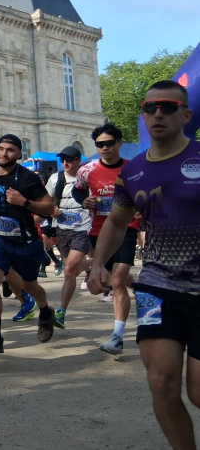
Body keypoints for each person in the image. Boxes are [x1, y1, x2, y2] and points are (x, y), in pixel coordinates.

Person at [88, 81, 200, 450]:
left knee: (198, 392)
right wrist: (97, 264)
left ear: (185, 115)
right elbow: (118, 222)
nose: (157, 114)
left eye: (167, 107)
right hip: (157, 285)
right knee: (161, 384)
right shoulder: (133, 171)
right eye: (149, 107)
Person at [0, 134, 56, 353]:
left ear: (19, 154)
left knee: (29, 286)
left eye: (10, 150)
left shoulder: (27, 178)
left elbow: (49, 207)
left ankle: (45, 311)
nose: (4, 153)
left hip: (25, 241)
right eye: (1, 148)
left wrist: (25, 202)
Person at [74, 122, 140, 354]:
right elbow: (78, 189)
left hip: (127, 227)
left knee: (118, 279)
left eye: (109, 143)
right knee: (112, 277)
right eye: (99, 144)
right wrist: (85, 201)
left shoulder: (134, 168)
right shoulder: (87, 169)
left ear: (119, 143)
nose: (104, 148)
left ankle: (117, 337)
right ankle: (142, 290)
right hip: (98, 231)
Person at [48, 146, 92, 330]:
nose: (65, 163)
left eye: (70, 159)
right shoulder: (55, 178)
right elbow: (47, 201)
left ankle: (60, 311)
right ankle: (95, 263)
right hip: (62, 229)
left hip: (83, 228)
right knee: (70, 272)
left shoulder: (88, 178)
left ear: (78, 160)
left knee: (69, 268)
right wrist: (52, 210)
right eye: (63, 159)